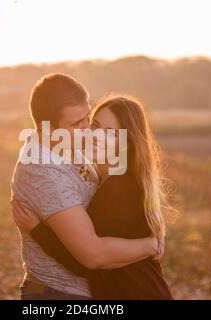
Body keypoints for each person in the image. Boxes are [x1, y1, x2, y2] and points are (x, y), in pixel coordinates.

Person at [10, 74, 161, 300]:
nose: (88, 129)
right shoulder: (45, 173)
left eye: (87, 118)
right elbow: (93, 255)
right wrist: (151, 245)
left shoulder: (71, 143)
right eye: (77, 124)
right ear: (47, 128)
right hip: (60, 294)